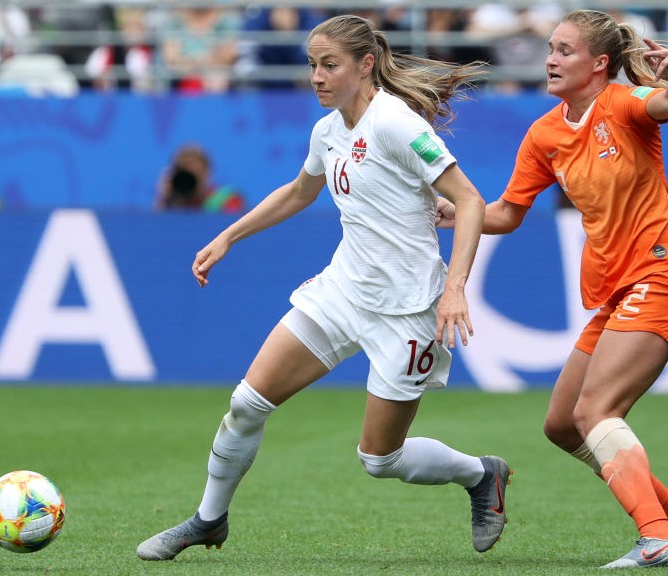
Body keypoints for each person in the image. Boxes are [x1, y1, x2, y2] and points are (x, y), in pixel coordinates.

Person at [137, 14, 511, 562]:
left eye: (328, 65)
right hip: (342, 291)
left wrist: (455, 287)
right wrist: (228, 237)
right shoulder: (329, 129)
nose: (316, 76)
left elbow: (472, 201)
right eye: (312, 64)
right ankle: (208, 519)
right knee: (247, 403)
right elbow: (297, 192)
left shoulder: (396, 124)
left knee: (380, 459)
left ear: (365, 65)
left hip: (408, 310)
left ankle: (482, 475)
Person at [437, 9, 668, 569]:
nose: (550, 57)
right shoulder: (545, 133)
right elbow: (506, 213)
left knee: (596, 412)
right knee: (563, 423)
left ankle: (657, 538)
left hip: (664, 277)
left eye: (564, 50)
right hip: (620, 291)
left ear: (599, 64)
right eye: (550, 47)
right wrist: (451, 213)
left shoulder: (623, 104)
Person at [154, 143, 244, 213]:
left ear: (207, 172)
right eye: (186, 172)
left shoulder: (226, 199)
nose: (189, 180)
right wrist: (163, 199)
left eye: (195, 169)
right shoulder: (175, 206)